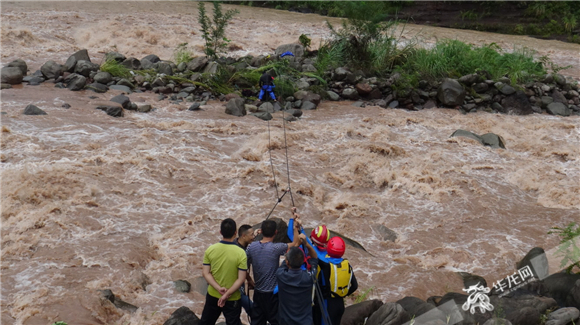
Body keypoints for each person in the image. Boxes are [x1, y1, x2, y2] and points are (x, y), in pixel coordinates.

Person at [246, 213, 301, 325]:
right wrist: (296, 227)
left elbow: (244, 266)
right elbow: (295, 243)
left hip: (258, 292)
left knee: (257, 321)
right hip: (272, 294)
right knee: (276, 321)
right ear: (276, 232)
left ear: (261, 231)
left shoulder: (252, 247)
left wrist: (250, 281)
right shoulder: (276, 248)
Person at [200, 218, 248, 325]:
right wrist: (227, 294)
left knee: (206, 322)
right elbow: (241, 279)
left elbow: (206, 273)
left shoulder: (210, 249)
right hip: (233, 296)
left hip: (213, 294)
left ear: (220, 232)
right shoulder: (241, 253)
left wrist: (218, 288)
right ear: (235, 233)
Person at [313, 237, 358, 325]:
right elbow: (354, 286)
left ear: (328, 249)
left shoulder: (325, 265)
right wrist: (342, 293)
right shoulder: (347, 264)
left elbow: (314, 254)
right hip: (340, 304)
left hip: (327, 304)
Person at [276, 233, 319, 325]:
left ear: (287, 262)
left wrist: (297, 244)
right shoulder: (309, 277)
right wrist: (307, 244)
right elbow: (315, 258)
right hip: (305, 322)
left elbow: (287, 259)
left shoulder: (280, 275)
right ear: (303, 261)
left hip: (285, 322)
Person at [234, 224, 256, 320]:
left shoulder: (239, 243)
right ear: (243, 236)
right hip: (236, 286)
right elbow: (241, 269)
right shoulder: (238, 251)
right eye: (251, 235)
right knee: (252, 310)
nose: (253, 237)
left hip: (240, 284)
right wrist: (250, 280)